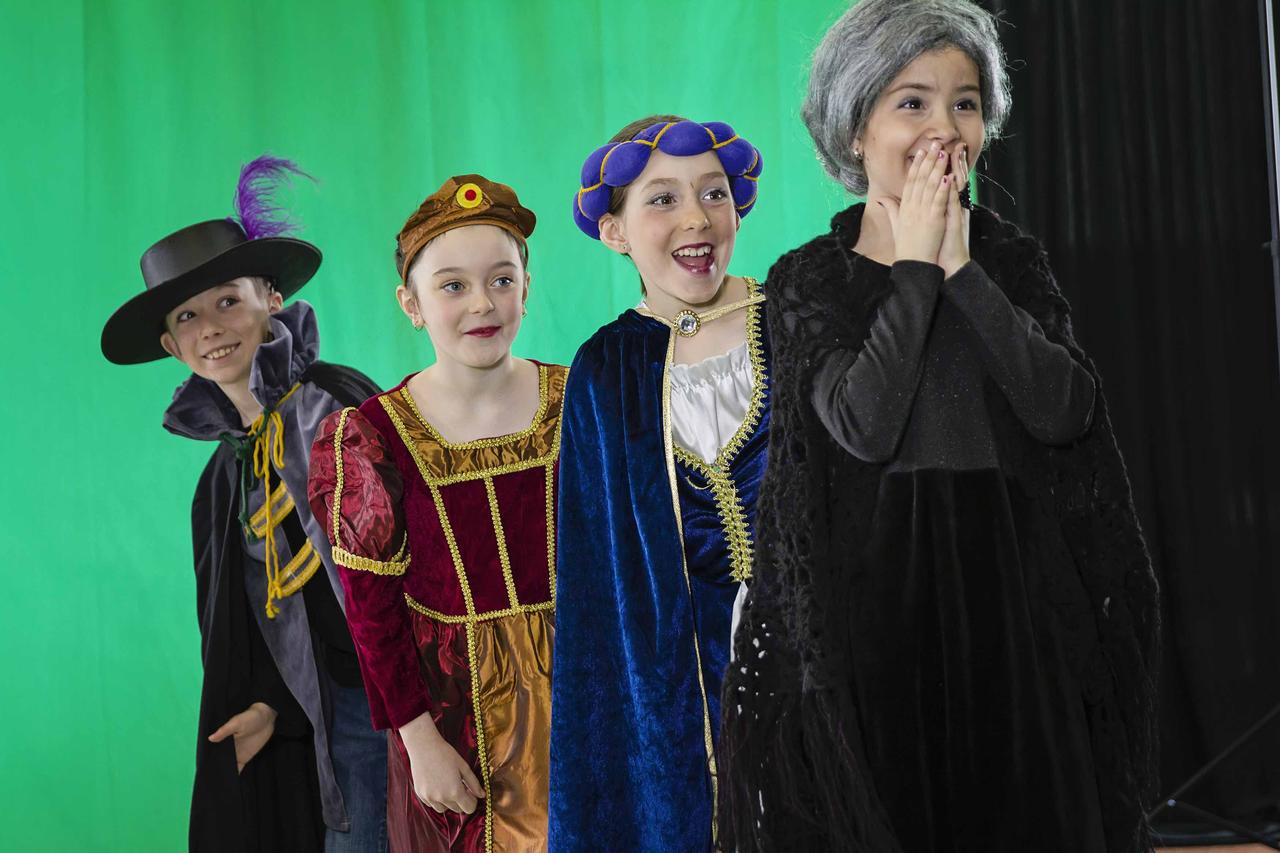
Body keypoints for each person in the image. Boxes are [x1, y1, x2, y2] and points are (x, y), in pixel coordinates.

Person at [717, 2, 1161, 851]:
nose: (944, 128)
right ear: (857, 129)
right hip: (877, 618)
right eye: (912, 102)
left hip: (1016, 604)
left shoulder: (1011, 260)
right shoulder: (809, 279)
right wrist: (915, 265)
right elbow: (864, 422)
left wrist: (962, 269)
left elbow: (1064, 409)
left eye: (965, 103)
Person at [100, 156, 387, 852]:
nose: (211, 327)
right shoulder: (223, 479)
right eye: (188, 317)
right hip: (334, 708)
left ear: (272, 299)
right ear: (172, 346)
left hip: (406, 688)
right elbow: (266, 617)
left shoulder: (337, 404)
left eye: (228, 301)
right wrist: (269, 704)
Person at [308, 175, 563, 852]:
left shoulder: (578, 401)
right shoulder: (373, 436)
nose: (483, 302)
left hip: (584, 694)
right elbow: (372, 612)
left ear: (527, 288)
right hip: (455, 719)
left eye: (502, 280)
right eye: (453, 285)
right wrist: (419, 741)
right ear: (411, 303)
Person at [549, 116, 768, 851]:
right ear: (615, 231)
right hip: (680, 696)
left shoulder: (793, 323)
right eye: (663, 199)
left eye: (713, 193)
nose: (696, 217)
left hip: (815, 668)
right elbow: (594, 581)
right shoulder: (604, 369)